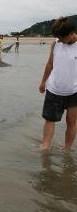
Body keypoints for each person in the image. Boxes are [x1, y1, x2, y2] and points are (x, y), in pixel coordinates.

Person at [39, 16, 77, 150]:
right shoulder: (56, 44)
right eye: (58, 38)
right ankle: (45, 146)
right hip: (54, 90)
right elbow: (50, 64)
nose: (59, 40)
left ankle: (67, 149)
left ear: (71, 33)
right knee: (50, 119)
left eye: (62, 38)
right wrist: (43, 82)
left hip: (74, 92)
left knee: (71, 122)